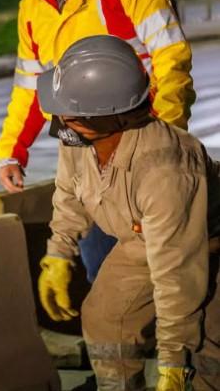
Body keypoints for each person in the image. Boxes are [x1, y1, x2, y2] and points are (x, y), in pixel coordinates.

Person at [0, 0, 195, 280]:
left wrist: (164, 136)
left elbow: (172, 59)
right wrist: (11, 151)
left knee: (161, 265)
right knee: (100, 266)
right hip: (85, 153)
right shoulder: (33, 9)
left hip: (141, 143)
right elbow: (31, 86)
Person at [36, 35, 220, 391]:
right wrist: (58, 253)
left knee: (204, 348)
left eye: (68, 114)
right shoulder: (79, 137)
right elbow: (69, 194)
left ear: (107, 117)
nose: (58, 119)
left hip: (204, 242)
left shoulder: (165, 169)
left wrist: (172, 363)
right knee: (106, 317)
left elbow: (176, 276)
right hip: (143, 239)